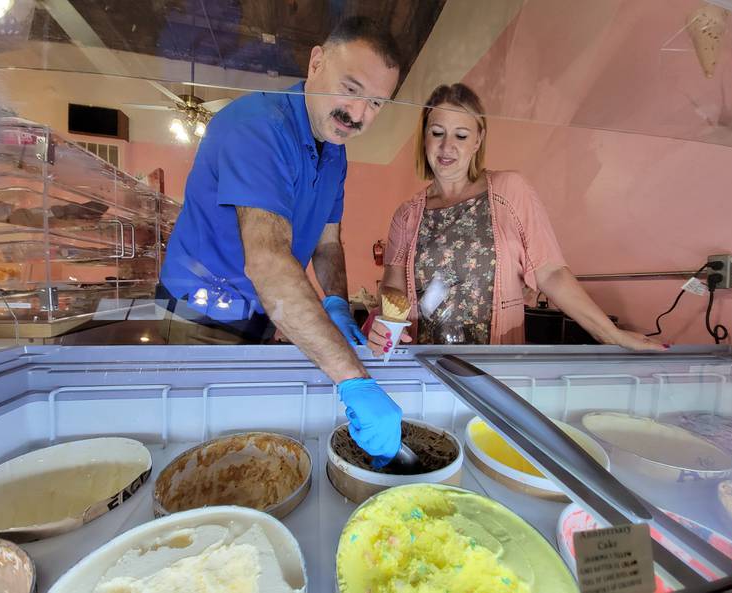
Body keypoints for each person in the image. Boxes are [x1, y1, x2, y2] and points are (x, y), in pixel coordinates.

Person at [160, 17, 403, 462]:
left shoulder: (335, 151)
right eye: (351, 89)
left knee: (258, 444)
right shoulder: (259, 125)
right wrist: (354, 381)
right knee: (212, 453)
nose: (359, 114)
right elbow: (268, 259)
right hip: (203, 319)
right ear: (316, 62)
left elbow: (328, 242)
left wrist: (337, 306)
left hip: (266, 316)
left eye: (376, 103)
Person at [367, 83, 667, 354]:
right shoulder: (406, 215)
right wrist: (383, 327)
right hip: (427, 366)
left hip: (496, 368)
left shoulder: (510, 191)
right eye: (437, 132)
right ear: (424, 136)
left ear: (477, 141)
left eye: (461, 135)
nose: (447, 146)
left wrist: (610, 334)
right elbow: (394, 292)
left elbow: (550, 272)